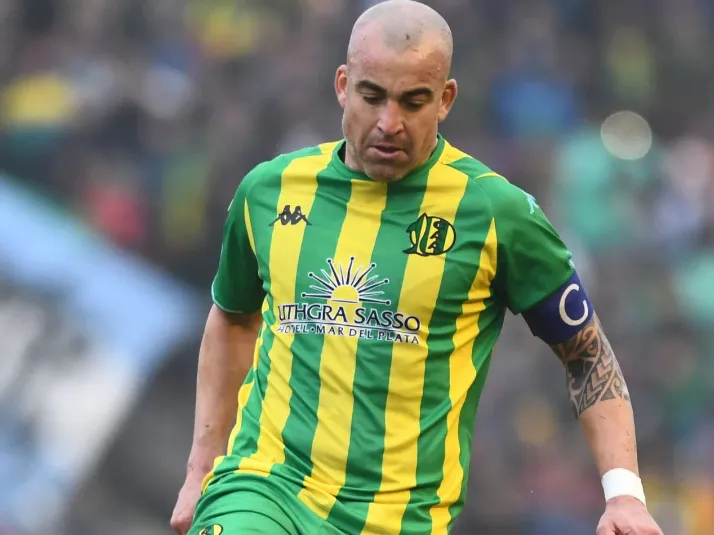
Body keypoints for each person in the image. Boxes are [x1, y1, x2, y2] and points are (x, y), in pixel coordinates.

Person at [171, 1, 664, 534]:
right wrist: (201, 469)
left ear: (445, 99)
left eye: (413, 101)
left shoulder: (496, 214)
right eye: (372, 96)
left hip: (400, 520)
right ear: (343, 86)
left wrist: (625, 496)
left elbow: (586, 355)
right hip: (263, 491)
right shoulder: (269, 190)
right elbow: (233, 317)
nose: (389, 123)